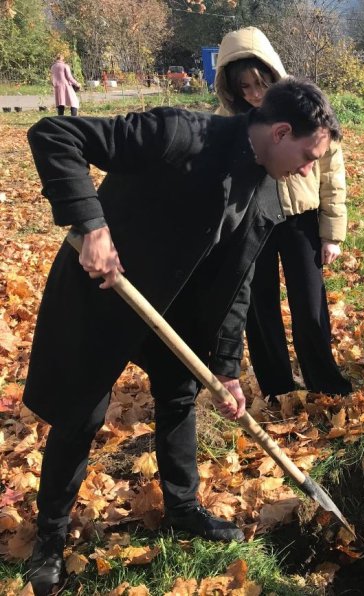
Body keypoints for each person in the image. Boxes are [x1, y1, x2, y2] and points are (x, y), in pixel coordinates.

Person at [22, 77, 341, 595]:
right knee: (82, 415)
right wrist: (92, 227)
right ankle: (49, 543)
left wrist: (228, 370)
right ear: (281, 131)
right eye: (308, 155)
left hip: (170, 314)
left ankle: (184, 509)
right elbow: (55, 136)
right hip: (106, 291)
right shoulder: (178, 133)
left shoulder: (264, 194)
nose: (309, 169)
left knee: (178, 397)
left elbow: (236, 286)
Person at [214, 27, 352, 398]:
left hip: (301, 222)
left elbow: (331, 172)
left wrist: (332, 233)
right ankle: (276, 388)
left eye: (261, 83)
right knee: (260, 313)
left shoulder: (307, 108)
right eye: (244, 87)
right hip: (252, 227)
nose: (255, 94)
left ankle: (324, 383)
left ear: (274, 74)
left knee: (309, 307)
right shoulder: (228, 121)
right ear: (231, 87)